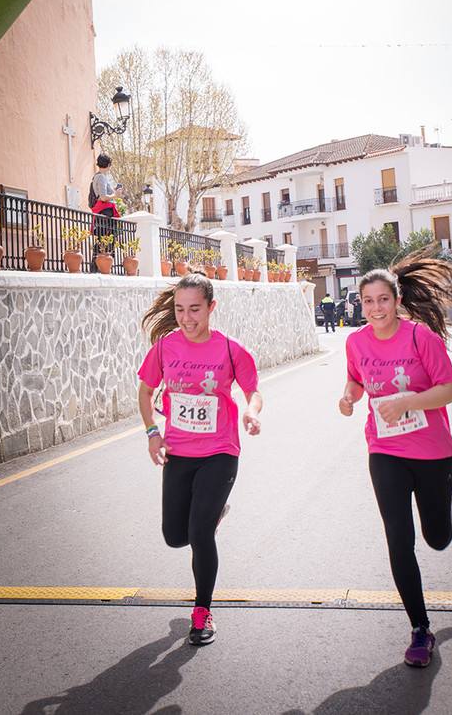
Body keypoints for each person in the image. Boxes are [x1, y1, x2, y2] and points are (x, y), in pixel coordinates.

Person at [338, 249, 452, 668]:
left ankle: (449, 502)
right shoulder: (355, 341)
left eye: (383, 299)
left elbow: (450, 390)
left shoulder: (420, 338)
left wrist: (408, 401)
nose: (375, 308)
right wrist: (348, 397)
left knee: (438, 539)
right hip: (385, 449)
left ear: (397, 301)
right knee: (399, 538)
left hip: (432, 450)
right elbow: (356, 380)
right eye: (368, 301)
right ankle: (419, 628)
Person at [138, 271, 262, 646]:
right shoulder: (165, 348)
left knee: (199, 534)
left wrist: (251, 411)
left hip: (220, 452)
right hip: (178, 453)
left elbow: (253, 390)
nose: (187, 317)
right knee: (175, 536)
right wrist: (152, 433)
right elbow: (145, 392)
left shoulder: (230, 350)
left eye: (195, 309)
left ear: (211, 307)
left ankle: (202, 612)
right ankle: (214, 514)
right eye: (180, 309)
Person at [90, 153, 122, 271]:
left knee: (103, 240)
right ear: (108, 165)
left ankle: (99, 268)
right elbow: (103, 197)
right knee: (106, 240)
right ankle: (101, 268)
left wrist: (113, 193)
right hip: (105, 213)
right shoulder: (101, 177)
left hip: (104, 212)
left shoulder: (98, 177)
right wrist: (115, 195)